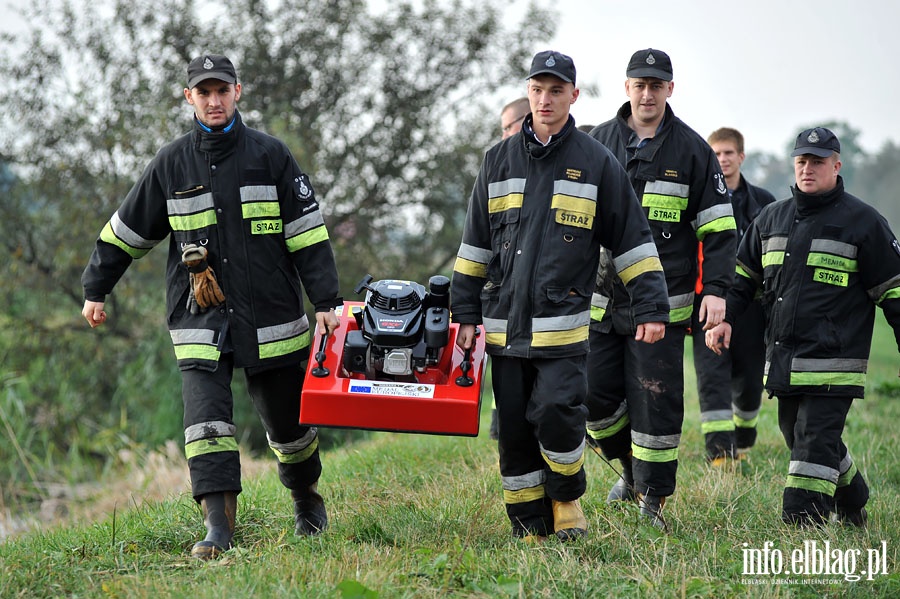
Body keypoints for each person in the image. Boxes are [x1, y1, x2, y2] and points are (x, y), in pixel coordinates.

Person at [81, 54, 342, 559]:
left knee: (290, 429)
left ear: (238, 92)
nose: (214, 100)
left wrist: (327, 299)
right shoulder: (171, 163)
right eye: (204, 92)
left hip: (272, 320)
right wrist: (97, 287)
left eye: (222, 90)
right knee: (206, 425)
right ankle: (218, 529)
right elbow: (127, 230)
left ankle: (306, 498)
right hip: (200, 323)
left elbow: (308, 234)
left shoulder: (271, 156)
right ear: (189, 99)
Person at [451, 50, 668, 543]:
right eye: (537, 89)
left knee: (556, 411)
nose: (545, 100)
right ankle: (528, 524)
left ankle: (566, 497)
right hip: (504, 328)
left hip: (564, 328)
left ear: (574, 95)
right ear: (528, 92)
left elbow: (632, 238)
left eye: (555, 91)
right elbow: (474, 246)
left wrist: (652, 305)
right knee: (513, 431)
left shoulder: (596, 163)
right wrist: (463, 312)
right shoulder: (496, 160)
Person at [707, 127, 900, 527]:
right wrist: (724, 318)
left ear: (836, 165)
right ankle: (854, 499)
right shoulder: (770, 218)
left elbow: (894, 293)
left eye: (817, 161)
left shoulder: (864, 222)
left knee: (812, 444)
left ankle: (802, 526)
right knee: (799, 435)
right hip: (784, 360)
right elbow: (743, 280)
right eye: (802, 161)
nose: (808, 168)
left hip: (835, 363)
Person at [585, 48, 736, 529]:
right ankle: (630, 472)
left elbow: (719, 229)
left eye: (656, 85)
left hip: (664, 305)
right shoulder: (596, 142)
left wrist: (715, 289)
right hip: (602, 303)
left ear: (670, 89)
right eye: (639, 84)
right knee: (592, 397)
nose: (647, 93)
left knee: (656, 399)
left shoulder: (693, 151)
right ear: (626, 87)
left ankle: (654, 498)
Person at [691, 128, 776, 464]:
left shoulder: (766, 204)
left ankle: (744, 437)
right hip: (709, 302)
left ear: (741, 157)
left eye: (728, 153)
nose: (722, 159)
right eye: (716, 154)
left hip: (753, 307)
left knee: (750, 378)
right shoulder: (698, 199)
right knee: (712, 375)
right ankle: (719, 454)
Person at [488, 97, 533, 442]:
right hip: (504, 301)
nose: (504, 135)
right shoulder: (496, 165)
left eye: (508, 126)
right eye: (502, 128)